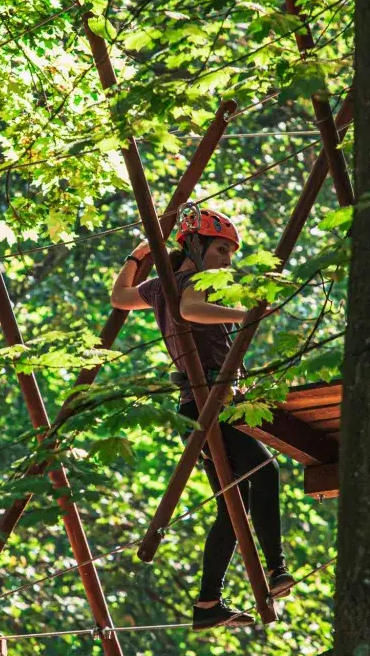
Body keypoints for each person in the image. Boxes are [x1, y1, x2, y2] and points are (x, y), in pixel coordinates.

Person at [109, 206, 296, 630]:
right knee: (265, 471)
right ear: (194, 245)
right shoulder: (190, 284)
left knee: (234, 506)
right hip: (212, 400)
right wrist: (245, 316)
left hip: (198, 404)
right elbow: (190, 309)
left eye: (230, 252)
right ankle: (276, 568)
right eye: (220, 250)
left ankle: (208, 604)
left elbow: (119, 297)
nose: (227, 261)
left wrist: (137, 259)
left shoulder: (159, 286)